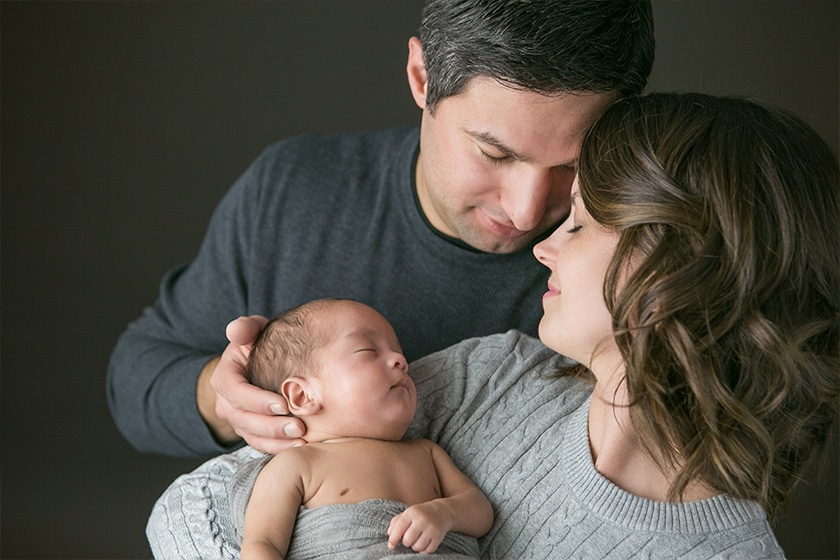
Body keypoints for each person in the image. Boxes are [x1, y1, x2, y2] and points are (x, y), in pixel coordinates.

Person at [146, 92, 838, 559]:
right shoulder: (494, 376)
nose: (541, 242)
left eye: (582, 221)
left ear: (672, 271)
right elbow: (190, 507)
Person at [107, 0, 655, 457]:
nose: (528, 213)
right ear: (422, 78)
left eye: (571, 165)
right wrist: (225, 401)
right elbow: (136, 377)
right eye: (493, 153)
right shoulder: (294, 188)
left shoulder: (647, 249)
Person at [239, 298, 493, 560]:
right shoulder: (296, 465)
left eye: (399, 352)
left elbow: (481, 512)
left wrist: (444, 514)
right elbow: (262, 544)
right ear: (302, 396)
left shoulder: (425, 452)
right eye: (368, 351)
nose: (400, 361)